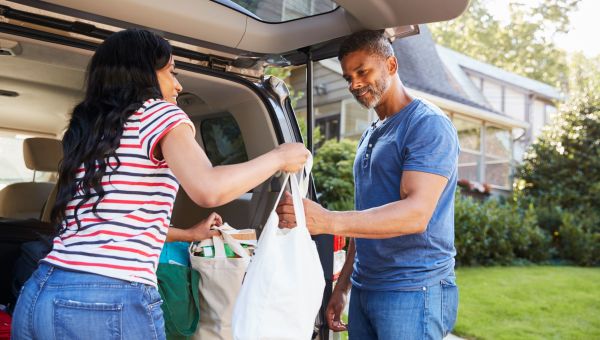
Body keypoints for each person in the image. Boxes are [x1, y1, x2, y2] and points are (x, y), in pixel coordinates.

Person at [10, 28, 309, 340]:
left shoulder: (91, 133)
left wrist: (189, 234)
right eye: (170, 71)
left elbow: (113, 222)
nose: (178, 85)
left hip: (41, 291)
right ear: (142, 74)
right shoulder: (159, 113)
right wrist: (278, 157)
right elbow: (208, 189)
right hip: (109, 297)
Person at [277, 30, 459, 339]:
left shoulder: (427, 124)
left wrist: (327, 220)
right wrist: (344, 285)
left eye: (363, 71)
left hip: (414, 289)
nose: (355, 84)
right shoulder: (371, 134)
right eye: (349, 77)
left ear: (391, 64)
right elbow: (367, 217)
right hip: (365, 286)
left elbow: (416, 214)